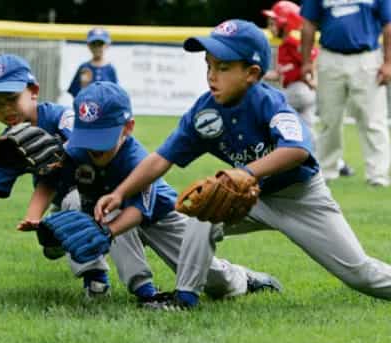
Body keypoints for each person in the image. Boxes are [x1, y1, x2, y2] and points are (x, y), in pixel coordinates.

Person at [95, 19, 391, 306]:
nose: (212, 75)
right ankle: (184, 299)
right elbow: (161, 159)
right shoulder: (205, 113)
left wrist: (245, 172)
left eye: (223, 68)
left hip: (300, 198)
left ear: (251, 73)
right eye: (208, 65)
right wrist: (120, 193)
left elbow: (297, 150)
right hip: (251, 199)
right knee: (204, 208)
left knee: (359, 273)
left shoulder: (268, 103)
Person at [20, 81, 282, 309]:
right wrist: (36, 217)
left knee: (212, 279)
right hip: (109, 212)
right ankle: (110, 284)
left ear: (128, 128)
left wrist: (107, 232)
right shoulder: (74, 151)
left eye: (103, 138)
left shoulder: (136, 160)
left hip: (158, 216)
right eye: (88, 137)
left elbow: (137, 211)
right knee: (75, 202)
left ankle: (242, 278)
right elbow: (50, 182)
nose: (93, 148)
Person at [0, 53, 113, 298]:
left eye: (11, 98)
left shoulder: (61, 118)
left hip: (104, 189)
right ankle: (63, 238)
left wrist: (65, 151)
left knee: (76, 210)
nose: (5, 109)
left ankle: (96, 281)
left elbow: (92, 147)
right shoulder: (11, 144)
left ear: (33, 90)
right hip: (60, 198)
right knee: (53, 240)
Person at [301, 0, 391, 186]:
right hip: (329, 57)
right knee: (329, 119)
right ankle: (326, 171)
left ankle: (378, 175)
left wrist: (388, 62)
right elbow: (308, 24)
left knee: (373, 120)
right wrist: (306, 61)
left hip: (367, 57)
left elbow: (388, 24)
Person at [262, 1, 354, 177]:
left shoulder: (291, 42)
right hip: (299, 91)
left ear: (285, 22)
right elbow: (279, 75)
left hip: (299, 91)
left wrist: (314, 80)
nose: (270, 26)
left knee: (268, 112)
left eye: (274, 22)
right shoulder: (284, 45)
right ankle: (339, 164)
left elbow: (313, 56)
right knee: (308, 132)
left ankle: (267, 158)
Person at [67, 27, 118, 98]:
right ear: (88, 45)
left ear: (107, 45)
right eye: (94, 44)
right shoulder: (84, 67)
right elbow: (75, 92)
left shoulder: (110, 69)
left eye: (100, 44)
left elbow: (115, 95)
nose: (97, 47)